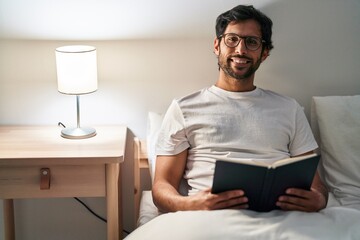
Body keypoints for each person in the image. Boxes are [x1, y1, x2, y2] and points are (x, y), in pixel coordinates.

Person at [152, 5, 328, 213]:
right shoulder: (184, 108)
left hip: (280, 218)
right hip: (206, 217)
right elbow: (161, 186)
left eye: (251, 42)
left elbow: (316, 186)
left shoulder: (289, 108)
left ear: (264, 53)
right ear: (217, 46)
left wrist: (319, 200)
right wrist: (190, 204)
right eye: (232, 39)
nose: (241, 50)